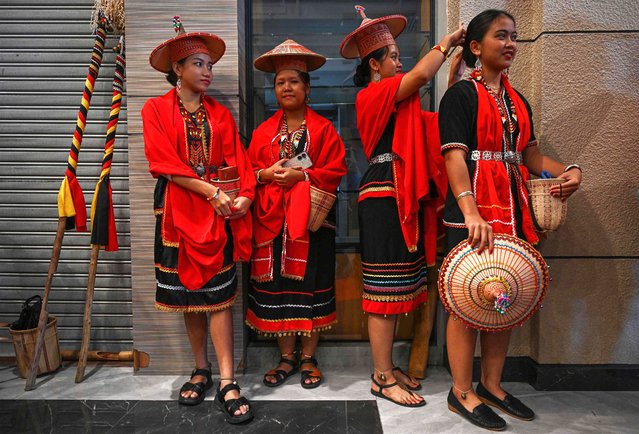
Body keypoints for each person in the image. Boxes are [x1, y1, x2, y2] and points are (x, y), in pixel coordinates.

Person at [439, 9, 582, 431]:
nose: (510, 43)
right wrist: (470, 213)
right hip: (474, 213)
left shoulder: (518, 101)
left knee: (505, 299)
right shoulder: (460, 97)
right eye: (501, 36)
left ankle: (492, 384)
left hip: (514, 210)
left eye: (514, 36)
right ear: (476, 47)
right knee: (466, 302)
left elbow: (531, 156)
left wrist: (566, 171)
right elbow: (454, 156)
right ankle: (461, 391)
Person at [339, 5, 465, 407]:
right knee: (383, 290)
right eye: (392, 56)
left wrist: (455, 76)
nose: (400, 60)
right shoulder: (372, 95)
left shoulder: (401, 103)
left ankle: (387, 366)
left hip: (397, 195)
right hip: (383, 196)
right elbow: (422, 75)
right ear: (374, 65)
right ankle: (380, 376)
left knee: (395, 289)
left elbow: (433, 126)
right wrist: (446, 44)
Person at [142, 17, 254, 424]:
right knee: (189, 294)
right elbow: (163, 163)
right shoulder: (153, 109)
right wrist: (211, 192)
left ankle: (226, 379)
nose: (207, 72)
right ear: (177, 68)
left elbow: (238, 161)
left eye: (209, 65)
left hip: (218, 212)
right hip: (177, 209)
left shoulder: (220, 115)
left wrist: (242, 195)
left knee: (219, 295)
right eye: (199, 64)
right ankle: (201, 367)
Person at [246, 40, 347, 389]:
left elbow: (335, 170)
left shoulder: (323, 129)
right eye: (280, 82)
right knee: (279, 289)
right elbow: (249, 173)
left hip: (310, 225)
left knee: (310, 288)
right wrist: (266, 175)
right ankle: (286, 358)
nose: (286, 87)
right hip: (271, 224)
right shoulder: (261, 132)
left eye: (293, 81)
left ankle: (308, 358)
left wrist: (302, 176)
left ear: (306, 87)